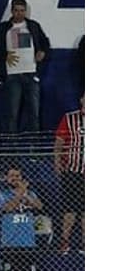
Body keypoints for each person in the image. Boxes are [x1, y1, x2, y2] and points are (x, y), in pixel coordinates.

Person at [0, 0, 52, 138]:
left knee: (34, 113)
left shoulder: (33, 26)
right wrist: (3, 55)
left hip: (31, 73)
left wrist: (43, 52)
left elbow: (45, 42)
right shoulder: (2, 28)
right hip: (12, 75)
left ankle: (33, 149)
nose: (19, 14)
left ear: (26, 11)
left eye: (22, 11)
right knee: (12, 114)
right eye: (16, 11)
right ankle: (12, 149)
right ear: (12, 11)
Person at [0, 166, 44, 271]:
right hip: (9, 241)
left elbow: (39, 206)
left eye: (17, 176)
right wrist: (21, 193)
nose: (15, 178)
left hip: (28, 241)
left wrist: (26, 194)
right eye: (12, 176)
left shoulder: (31, 193)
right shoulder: (3, 194)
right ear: (7, 178)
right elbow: (7, 208)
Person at [54, 95, 85, 251]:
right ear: (81, 100)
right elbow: (59, 142)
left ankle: (85, 243)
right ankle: (65, 241)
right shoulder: (70, 118)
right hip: (72, 170)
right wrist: (57, 163)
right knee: (70, 209)